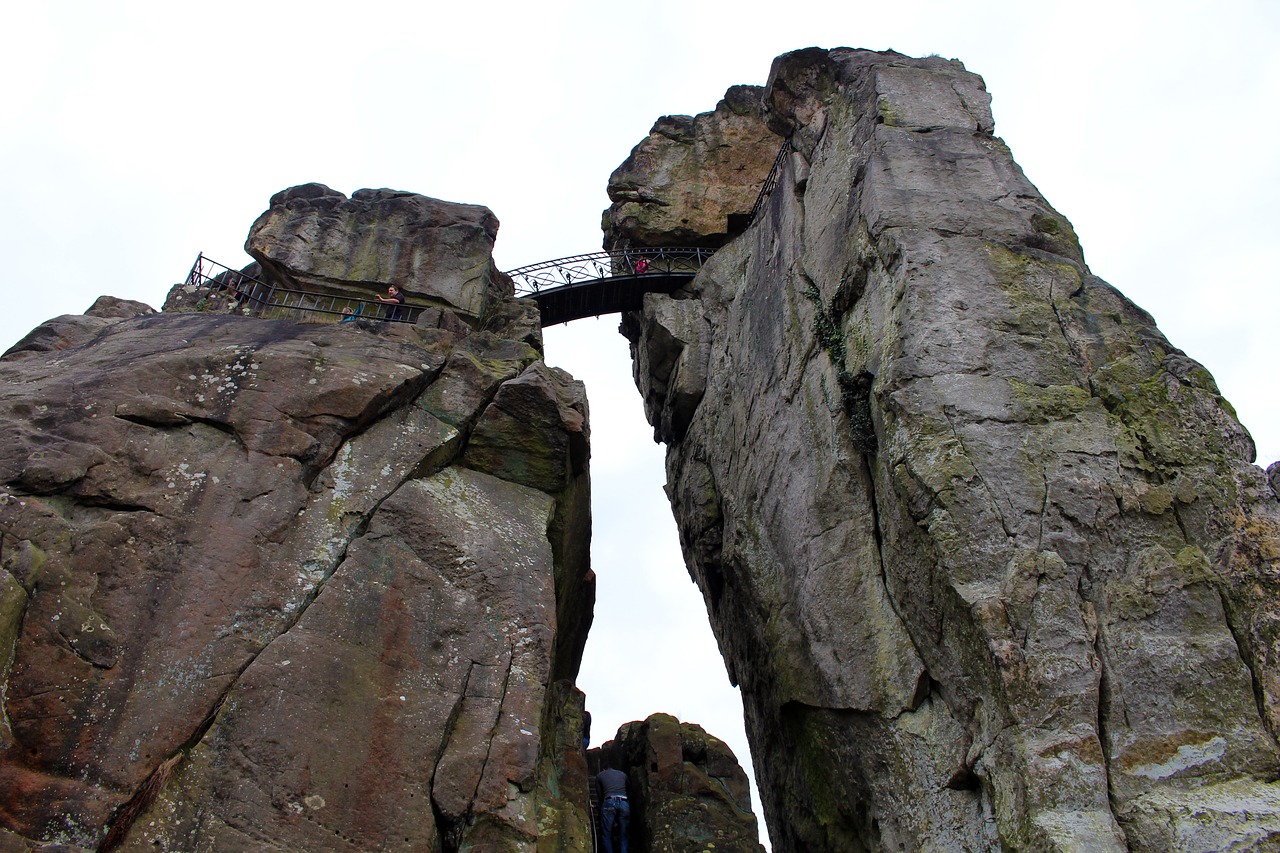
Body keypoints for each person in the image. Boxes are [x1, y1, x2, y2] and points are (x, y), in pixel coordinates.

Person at [596, 762, 630, 853]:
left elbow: (600, 795)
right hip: (624, 802)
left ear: (603, 769)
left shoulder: (600, 775)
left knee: (606, 833)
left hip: (609, 801)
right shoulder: (623, 774)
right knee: (623, 834)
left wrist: (598, 806)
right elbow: (628, 789)